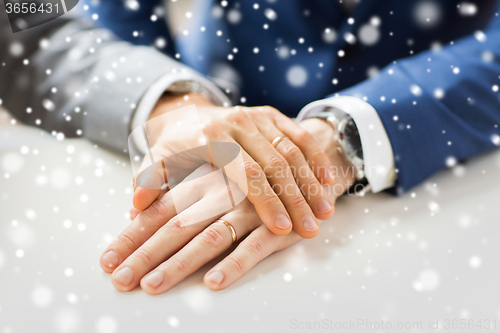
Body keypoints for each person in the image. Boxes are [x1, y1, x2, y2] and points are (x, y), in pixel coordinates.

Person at [1, 0, 499, 294]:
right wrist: (174, 104)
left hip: (456, 187)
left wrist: (341, 137)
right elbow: (44, 26)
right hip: (201, 142)